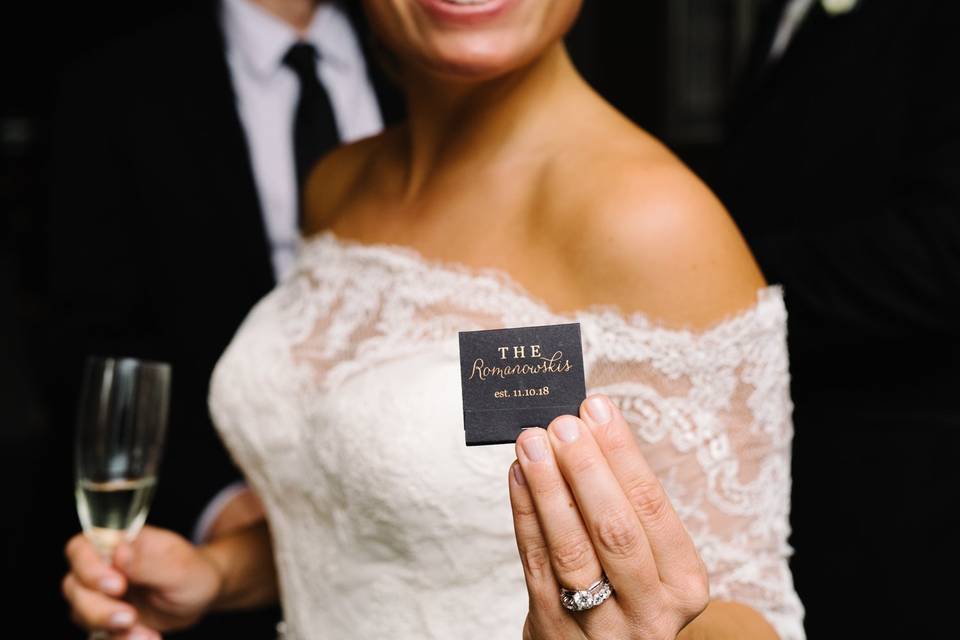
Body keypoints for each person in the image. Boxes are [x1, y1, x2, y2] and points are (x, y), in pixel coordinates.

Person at [61, 0, 804, 638]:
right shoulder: (338, 182)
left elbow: (754, 604)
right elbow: (376, 516)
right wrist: (219, 574)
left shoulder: (649, 221)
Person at [49, 0, 400, 636]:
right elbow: (95, 343)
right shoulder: (118, 84)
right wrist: (222, 521)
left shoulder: (436, 60)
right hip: (220, 547)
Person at [710, 0, 960, 636]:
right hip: (791, 463)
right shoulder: (779, 16)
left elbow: (940, 255)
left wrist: (715, 271)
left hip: (897, 480)